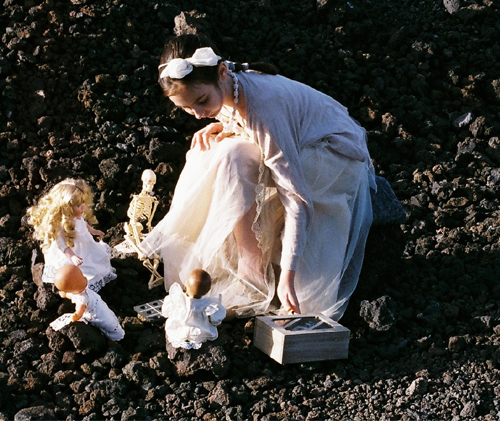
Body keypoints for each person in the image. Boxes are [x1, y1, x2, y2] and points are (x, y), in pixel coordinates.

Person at [140, 34, 375, 320]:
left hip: (331, 155)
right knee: (220, 152)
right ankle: (251, 270)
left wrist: (288, 275)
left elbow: (296, 199)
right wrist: (227, 125)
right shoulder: (228, 83)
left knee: (235, 157)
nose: (199, 114)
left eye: (202, 101)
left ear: (222, 72)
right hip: (288, 136)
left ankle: (278, 272)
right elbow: (242, 114)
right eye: (187, 108)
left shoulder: (262, 109)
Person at [27, 178, 117, 292]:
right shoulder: (61, 227)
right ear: (66, 208)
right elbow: (62, 245)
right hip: (71, 253)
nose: (83, 207)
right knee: (79, 273)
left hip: (84, 247)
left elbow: (84, 225)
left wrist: (94, 231)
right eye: (78, 205)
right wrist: (73, 256)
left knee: (96, 261)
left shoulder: (77, 217)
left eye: (83, 203)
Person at [51, 264, 124, 341]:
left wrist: (76, 315)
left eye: (82, 275)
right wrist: (66, 295)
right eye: (82, 278)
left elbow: (79, 308)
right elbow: (76, 299)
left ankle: (115, 338)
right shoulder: (81, 294)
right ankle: (115, 336)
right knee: (109, 322)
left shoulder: (82, 296)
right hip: (99, 311)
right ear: (73, 288)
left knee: (109, 324)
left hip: (98, 312)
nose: (85, 277)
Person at [161, 268, 226, 349]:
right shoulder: (207, 304)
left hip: (178, 328)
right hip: (198, 331)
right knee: (205, 331)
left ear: (185, 285)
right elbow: (217, 318)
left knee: (173, 328)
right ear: (208, 290)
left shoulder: (178, 298)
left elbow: (166, 311)